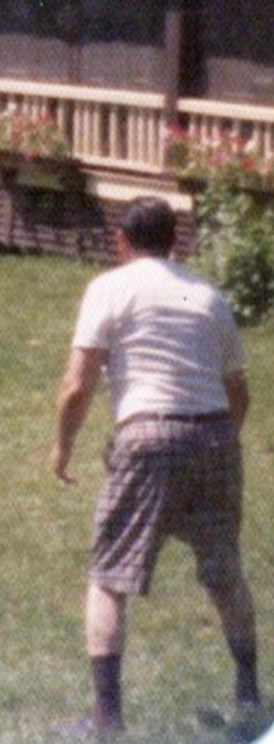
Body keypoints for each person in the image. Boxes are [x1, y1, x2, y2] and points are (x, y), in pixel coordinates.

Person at [51, 196, 260, 736]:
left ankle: (107, 717)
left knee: (109, 577)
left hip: (146, 436)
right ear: (177, 243)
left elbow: (78, 384)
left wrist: (63, 448)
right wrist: (217, 443)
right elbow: (239, 389)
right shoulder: (206, 295)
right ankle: (248, 692)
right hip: (214, 434)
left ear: (122, 241)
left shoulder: (110, 288)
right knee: (224, 571)